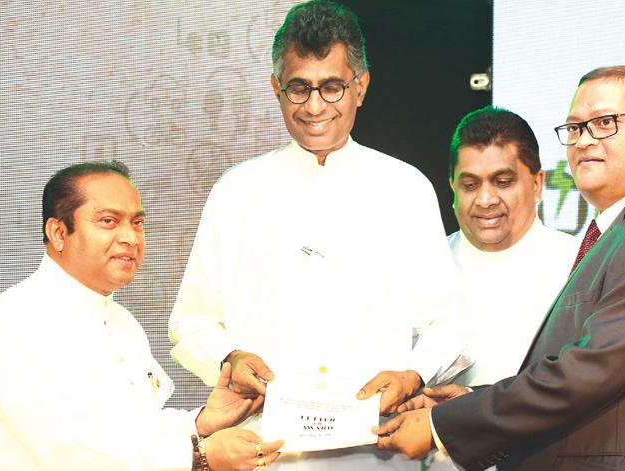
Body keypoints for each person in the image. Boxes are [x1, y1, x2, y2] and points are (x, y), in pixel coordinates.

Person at [375, 65, 625, 471]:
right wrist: (472, 401)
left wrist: (444, 424)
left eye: (604, 123)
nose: (584, 141)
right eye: (575, 128)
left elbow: (590, 372)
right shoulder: (624, 228)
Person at [168, 1, 466, 470]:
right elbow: (192, 322)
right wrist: (228, 358)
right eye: (298, 88)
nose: (313, 107)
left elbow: (447, 322)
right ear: (276, 88)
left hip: (376, 449)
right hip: (263, 451)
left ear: (360, 86)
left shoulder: (405, 188)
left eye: (331, 87)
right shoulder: (237, 190)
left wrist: (413, 374)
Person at [0, 161, 283, 471]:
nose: (131, 238)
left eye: (137, 223)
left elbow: (134, 428)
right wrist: (197, 456)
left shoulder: (122, 322)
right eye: (108, 221)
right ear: (59, 232)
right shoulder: (16, 321)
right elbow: (72, 452)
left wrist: (200, 422)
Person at [422, 106, 578, 471]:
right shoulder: (424, 268)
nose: (486, 199)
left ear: (538, 183)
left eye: (503, 181)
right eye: (470, 183)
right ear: (452, 187)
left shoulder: (579, 266)